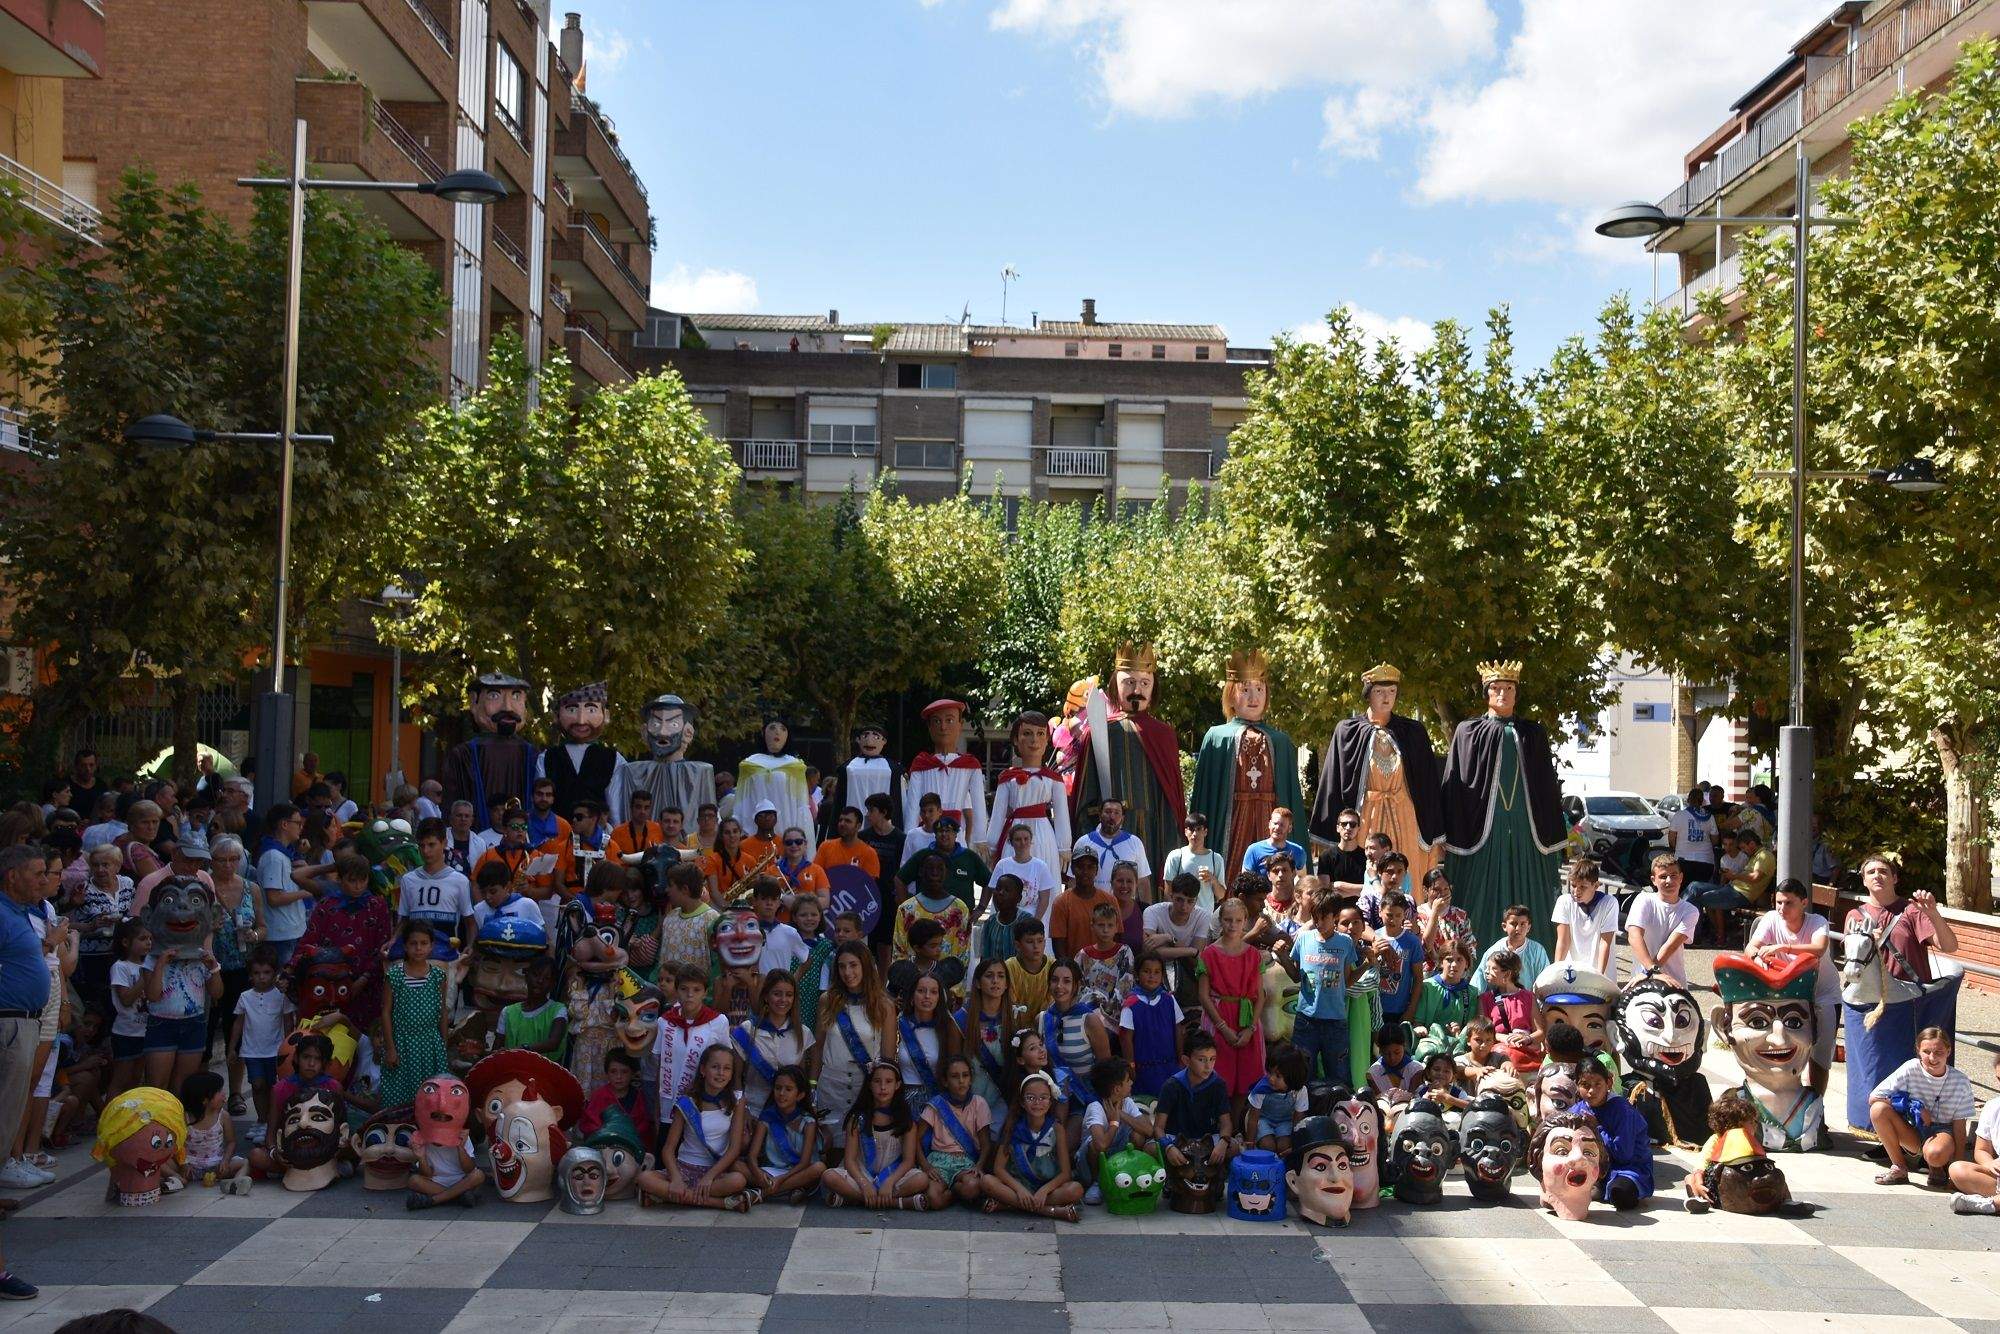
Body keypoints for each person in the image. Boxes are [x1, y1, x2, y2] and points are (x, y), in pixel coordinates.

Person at [1747, 878, 1838, 1096]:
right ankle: (1789, 1100)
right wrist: (1756, 957)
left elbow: (1819, 948)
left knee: (1820, 1055)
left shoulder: (1817, 922)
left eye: (1789, 903)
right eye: (1778, 902)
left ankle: (1817, 1102)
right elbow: (1751, 947)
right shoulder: (1771, 918)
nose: (1782, 908)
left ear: (1804, 903)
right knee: (1785, 1048)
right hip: (1790, 996)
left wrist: (1784, 947)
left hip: (1824, 995)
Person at [639, 1045, 754, 1211]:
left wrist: (709, 1177)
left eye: (727, 1068)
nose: (721, 1073)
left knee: (738, 1181)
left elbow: (734, 1149)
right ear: (703, 1070)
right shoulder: (687, 1102)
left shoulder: (737, 1101)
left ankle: (668, 1196)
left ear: (731, 1074)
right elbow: (668, 1149)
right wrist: (676, 1178)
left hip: (715, 1170)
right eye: (715, 1067)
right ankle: (721, 1203)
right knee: (644, 1178)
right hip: (684, 1167)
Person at [0, 847, 54, 1191]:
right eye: (37, 873)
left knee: (12, 1102)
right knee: (5, 1102)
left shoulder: (19, 912)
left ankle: (6, 1162)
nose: (44, 880)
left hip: (25, 1021)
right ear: (12, 876)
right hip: (9, 1022)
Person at [811, 943, 897, 1146]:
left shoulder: (884, 1005)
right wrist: (812, 1086)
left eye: (853, 965)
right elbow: (818, 1047)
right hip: (831, 1087)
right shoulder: (827, 1000)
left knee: (861, 1148)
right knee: (829, 1146)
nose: (847, 972)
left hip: (865, 1087)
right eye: (842, 966)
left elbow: (888, 1058)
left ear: (865, 966)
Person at [1870, 1026, 1974, 1189]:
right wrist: (1913, 1106)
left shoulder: (1960, 1081)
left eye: (1938, 1052)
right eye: (1926, 1052)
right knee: (1878, 1110)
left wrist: (1957, 1169)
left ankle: (1938, 1167)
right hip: (1914, 1127)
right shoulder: (1910, 1068)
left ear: (1948, 1051)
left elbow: (1960, 1126)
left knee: (1935, 1153)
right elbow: (1874, 1097)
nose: (1932, 1058)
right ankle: (1899, 1167)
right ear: (1918, 1050)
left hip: (1943, 1131)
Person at [825, 1060, 928, 1210]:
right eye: (877, 1081)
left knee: (921, 1179)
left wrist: (890, 1182)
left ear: (897, 1085)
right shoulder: (857, 1119)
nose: (883, 1087)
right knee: (829, 1176)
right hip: (862, 1174)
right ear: (869, 1084)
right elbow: (850, 1160)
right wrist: (864, 1184)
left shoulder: (906, 1121)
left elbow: (908, 1161)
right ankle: (895, 1202)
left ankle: (857, 1199)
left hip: (893, 1175)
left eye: (889, 1081)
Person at [984, 1069, 1082, 1220]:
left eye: (1043, 1098)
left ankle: (1010, 1205)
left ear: (1050, 1101)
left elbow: (1065, 1173)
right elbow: (999, 1169)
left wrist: (1045, 1190)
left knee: (1075, 1189)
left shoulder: (1057, 1129)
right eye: (1031, 1098)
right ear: (1022, 1102)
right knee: (987, 1181)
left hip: (1047, 1187)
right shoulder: (1013, 1127)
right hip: (1018, 1185)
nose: (1037, 1103)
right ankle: (1050, 1211)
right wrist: (1020, 1190)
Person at [1845, 853, 1957, 985]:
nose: (1877, 875)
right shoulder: (1855, 916)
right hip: (1870, 993)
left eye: (1883, 871)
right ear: (1864, 881)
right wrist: (1869, 941)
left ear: (1894, 878)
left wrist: (1934, 914)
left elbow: (1950, 947)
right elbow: (1851, 960)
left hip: (1910, 993)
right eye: (1871, 872)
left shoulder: (1912, 911)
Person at [1199, 897, 1265, 1112]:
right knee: (1218, 1075)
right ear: (1220, 920)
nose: (1233, 925)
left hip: (1247, 1020)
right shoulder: (1209, 954)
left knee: (1245, 1079)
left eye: (1238, 920)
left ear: (1245, 921)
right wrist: (1222, 1027)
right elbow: (1204, 996)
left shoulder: (1253, 955)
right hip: (1219, 1018)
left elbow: (1260, 996)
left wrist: (1251, 1028)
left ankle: (1235, 1125)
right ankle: (1217, 1124)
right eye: (1228, 920)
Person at [379, 919, 452, 1109]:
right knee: (399, 1096)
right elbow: (386, 1012)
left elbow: (442, 1011)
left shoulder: (438, 976)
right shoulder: (394, 975)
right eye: (413, 943)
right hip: (402, 1043)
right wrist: (391, 1048)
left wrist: (443, 1044)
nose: (418, 948)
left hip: (430, 1043)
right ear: (405, 946)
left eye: (424, 943)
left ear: (431, 946)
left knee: (431, 1095)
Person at [1289, 887, 1358, 1083]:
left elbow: (1347, 980)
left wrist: (1369, 964)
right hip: (1306, 1020)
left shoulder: (1345, 942)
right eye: (1315, 917)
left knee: (1338, 1077)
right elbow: (1295, 975)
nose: (1318, 922)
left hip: (1335, 1022)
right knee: (1301, 1075)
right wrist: (1283, 956)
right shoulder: (1303, 939)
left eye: (1323, 917)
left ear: (1335, 916)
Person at [1571, 1058, 1651, 1209]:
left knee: (1621, 1194)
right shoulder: (1577, 1110)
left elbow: (1623, 1155)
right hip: (1592, 1167)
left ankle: (1603, 1187)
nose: (1591, 1091)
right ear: (1577, 1086)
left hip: (1627, 1168)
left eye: (1597, 1084)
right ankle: (1596, 1184)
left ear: (1608, 1083)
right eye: (1585, 1085)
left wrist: (1597, 1129)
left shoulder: (1623, 1111)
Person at [231, 945, 293, 1129]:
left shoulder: (282, 996)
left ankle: (273, 1123)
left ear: (275, 973)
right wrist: (232, 1048)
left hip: (276, 1051)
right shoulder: (245, 997)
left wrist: (289, 1048)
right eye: (257, 973)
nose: (262, 977)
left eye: (266, 972)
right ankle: (261, 1121)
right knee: (257, 1085)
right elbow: (238, 1023)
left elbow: (288, 1022)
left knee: (274, 1087)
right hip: (252, 1051)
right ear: (250, 975)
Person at [1078, 1056, 1155, 1203]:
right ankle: (1097, 1182)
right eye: (1128, 1080)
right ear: (1117, 1089)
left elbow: (1149, 1130)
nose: (1131, 1083)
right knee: (1094, 1145)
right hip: (1091, 1164)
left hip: (1117, 1156)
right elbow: (1101, 1145)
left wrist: (1120, 1114)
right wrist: (1114, 1122)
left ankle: (1130, 1175)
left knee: (1138, 1135)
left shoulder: (1126, 1102)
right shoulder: (1095, 1107)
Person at [745, 1063, 824, 1204]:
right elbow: (752, 1156)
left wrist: (781, 1179)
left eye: (788, 1089)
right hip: (772, 1171)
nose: (781, 1093)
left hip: (797, 1171)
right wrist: (757, 1172)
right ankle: (790, 1189)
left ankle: (762, 1193)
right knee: (736, 1166)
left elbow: (805, 1162)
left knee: (819, 1168)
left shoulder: (808, 1122)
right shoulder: (767, 1116)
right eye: (778, 1088)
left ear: (800, 1095)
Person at [398, 819, 476, 960]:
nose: (426, 851)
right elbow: (404, 920)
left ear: (444, 843)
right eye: (422, 845)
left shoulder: (459, 881)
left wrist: (470, 945)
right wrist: (393, 940)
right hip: (415, 956)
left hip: (446, 956)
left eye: (431, 845)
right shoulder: (408, 880)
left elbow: (469, 921)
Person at [1141, 872, 1214, 1012]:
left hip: (1188, 977)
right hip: (1156, 974)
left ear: (1196, 900)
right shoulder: (1153, 912)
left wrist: (1168, 939)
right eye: (1179, 900)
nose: (1184, 906)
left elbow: (1195, 961)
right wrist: (1189, 950)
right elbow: (1148, 952)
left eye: (1190, 901)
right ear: (1171, 896)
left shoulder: (1203, 916)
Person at [1628, 854, 1700, 986]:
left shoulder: (1690, 910)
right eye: (1663, 876)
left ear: (1681, 877)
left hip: (1673, 981)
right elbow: (1634, 935)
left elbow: (1670, 945)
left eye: (1673, 875)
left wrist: (1650, 971)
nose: (1669, 880)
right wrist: (1651, 971)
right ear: (1653, 880)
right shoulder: (1643, 900)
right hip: (1641, 979)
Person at [255, 803, 313, 967]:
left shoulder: (284, 853)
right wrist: (307, 892)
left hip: (289, 931)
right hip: (281, 934)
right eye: (298, 823)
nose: (301, 827)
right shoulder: (273, 856)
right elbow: (274, 898)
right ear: (284, 824)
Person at [1949, 1048, 2000, 1214]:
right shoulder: (1993, 1106)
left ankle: (1992, 1205)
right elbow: (1981, 1150)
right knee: (1957, 1169)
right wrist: (1990, 1164)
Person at [178, 1070, 247, 1186]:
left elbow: (231, 1141)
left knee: (245, 1163)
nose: (224, 1094)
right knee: (163, 1162)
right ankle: (175, 1179)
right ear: (205, 1100)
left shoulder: (223, 1116)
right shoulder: (185, 1118)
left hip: (216, 1166)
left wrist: (225, 1160)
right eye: (219, 1091)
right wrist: (183, 1164)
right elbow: (178, 1144)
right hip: (190, 1167)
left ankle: (236, 1183)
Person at [1071, 798, 1151, 899]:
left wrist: (1146, 907)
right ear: (1100, 815)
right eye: (1108, 812)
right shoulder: (1083, 842)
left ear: (1122, 818)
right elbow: (1073, 880)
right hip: (1091, 904)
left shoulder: (1134, 842)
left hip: (1123, 905)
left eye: (1117, 813)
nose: (1112, 817)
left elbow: (1143, 881)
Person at [1552, 858, 1619, 976]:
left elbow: (1604, 943)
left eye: (1583, 887)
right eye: (1573, 885)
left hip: (1600, 972)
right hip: (1571, 972)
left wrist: (1600, 976)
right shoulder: (1564, 902)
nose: (1576, 891)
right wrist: (1556, 973)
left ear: (1596, 885)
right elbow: (1563, 941)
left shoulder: (1609, 903)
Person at [989, 821, 1059, 927]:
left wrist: (1034, 922)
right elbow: (995, 893)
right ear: (1011, 842)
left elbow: (1044, 899)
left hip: (1030, 918)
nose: (1022, 843)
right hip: (1006, 919)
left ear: (1031, 841)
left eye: (1026, 839)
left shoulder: (1041, 866)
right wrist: (1003, 917)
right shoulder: (1002, 864)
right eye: (1018, 839)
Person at [1477, 904, 1551, 998]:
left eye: (1522, 924)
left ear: (1528, 927)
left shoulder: (1537, 951)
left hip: (1529, 1002)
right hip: (1498, 1003)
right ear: (1504, 926)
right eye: (1513, 924)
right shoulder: (1494, 951)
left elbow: (1545, 981)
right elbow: (1479, 983)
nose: (1518, 928)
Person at [1163, 814, 1227, 912]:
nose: (1195, 834)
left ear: (1205, 832)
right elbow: (1168, 892)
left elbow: (1221, 895)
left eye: (1199, 829)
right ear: (1185, 832)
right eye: (1191, 829)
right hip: (1180, 914)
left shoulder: (1216, 859)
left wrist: (1213, 879)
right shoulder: (1176, 856)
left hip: (1205, 916)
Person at [1006, 916, 1054, 1023]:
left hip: (1046, 1025)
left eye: (1040, 941)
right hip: (1014, 1025)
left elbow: (1053, 1003)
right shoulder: (1009, 967)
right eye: (1029, 941)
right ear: (1018, 945)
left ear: (1045, 942)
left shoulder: (1053, 966)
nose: (1036, 946)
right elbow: (1010, 1004)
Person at [1666, 787, 1716, 889]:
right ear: (1702, 801)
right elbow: (1715, 840)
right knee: (1700, 892)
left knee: (1683, 892)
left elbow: (1671, 838)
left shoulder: (1679, 815)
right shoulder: (1710, 817)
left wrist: (1677, 849)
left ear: (1688, 800)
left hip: (1683, 860)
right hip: (1706, 861)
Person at [1240, 807, 1307, 879]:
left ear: (1289, 828)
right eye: (1275, 823)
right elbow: (1245, 881)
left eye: (1282, 825)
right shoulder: (1254, 850)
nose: (1277, 827)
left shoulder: (1298, 851)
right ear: (1269, 824)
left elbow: (1302, 879)